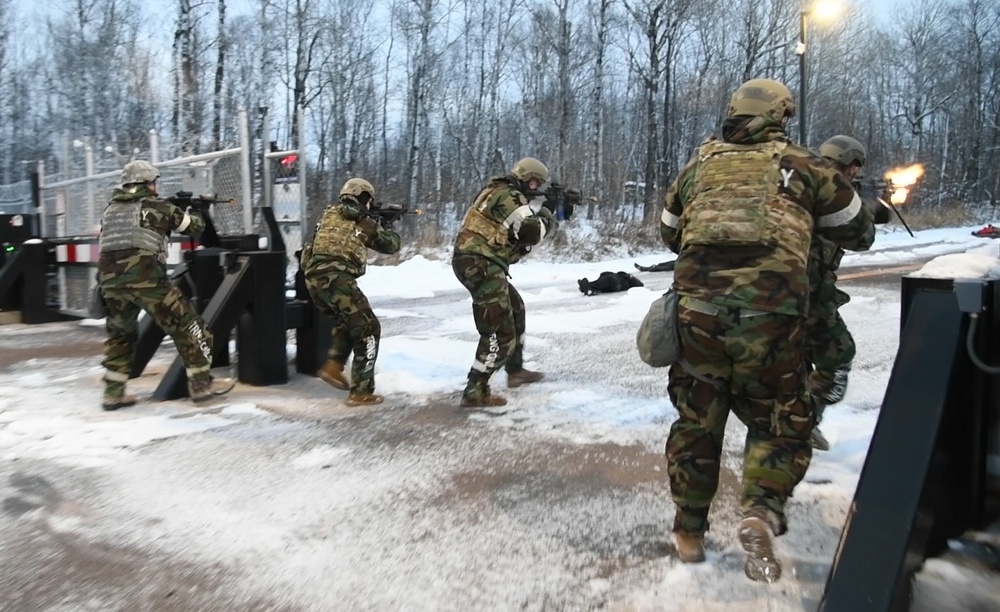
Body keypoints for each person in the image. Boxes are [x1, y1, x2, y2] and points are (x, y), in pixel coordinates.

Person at [658, 79, 875, 581]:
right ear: (781, 114)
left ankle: (689, 532)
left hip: (698, 319)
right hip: (772, 322)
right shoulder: (806, 165)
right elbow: (859, 232)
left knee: (696, 426)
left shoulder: (697, 167)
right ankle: (760, 508)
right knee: (779, 423)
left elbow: (669, 232)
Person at [98, 160, 235, 410]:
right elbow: (195, 227)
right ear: (148, 183)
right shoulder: (156, 205)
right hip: (146, 281)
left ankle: (113, 393)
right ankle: (202, 387)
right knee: (191, 327)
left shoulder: (111, 209)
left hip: (110, 282)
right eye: (154, 182)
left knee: (120, 335)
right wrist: (199, 209)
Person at [452, 157, 558, 407]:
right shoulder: (509, 195)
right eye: (537, 183)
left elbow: (515, 239)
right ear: (529, 179)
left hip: (478, 261)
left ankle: (515, 370)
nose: (537, 188)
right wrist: (547, 210)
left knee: (516, 308)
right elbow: (531, 231)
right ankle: (475, 390)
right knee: (500, 331)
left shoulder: (498, 192)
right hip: (480, 263)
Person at [807, 135, 889, 451]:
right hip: (810, 292)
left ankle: (792, 424)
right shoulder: (832, 189)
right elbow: (861, 238)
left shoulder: (800, 178)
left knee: (794, 359)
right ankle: (803, 424)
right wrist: (870, 209)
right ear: (850, 165)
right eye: (854, 168)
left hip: (782, 288)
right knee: (838, 357)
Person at [301, 178, 400, 406]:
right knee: (369, 328)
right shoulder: (360, 219)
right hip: (337, 278)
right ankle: (361, 391)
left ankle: (334, 365)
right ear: (363, 196)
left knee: (349, 323)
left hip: (314, 281)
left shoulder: (327, 214)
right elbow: (391, 245)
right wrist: (388, 224)